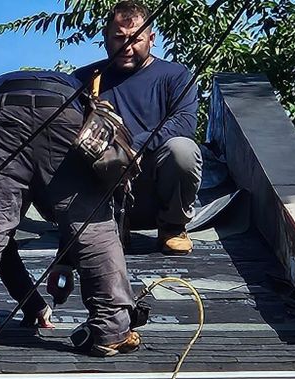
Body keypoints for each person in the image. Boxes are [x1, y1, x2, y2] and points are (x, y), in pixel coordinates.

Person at [0, 69, 140, 357]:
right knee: (92, 225)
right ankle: (111, 330)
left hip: (2, 115)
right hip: (63, 114)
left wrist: (33, 302)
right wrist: (36, 302)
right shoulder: (77, 94)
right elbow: (82, 231)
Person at [74, 0, 202, 255]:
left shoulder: (174, 76)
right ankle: (106, 228)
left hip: (152, 187)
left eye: (135, 39)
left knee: (183, 150)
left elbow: (185, 123)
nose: (126, 46)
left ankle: (173, 227)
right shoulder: (84, 79)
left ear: (151, 38)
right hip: (101, 193)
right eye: (118, 38)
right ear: (106, 38)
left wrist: (134, 146)